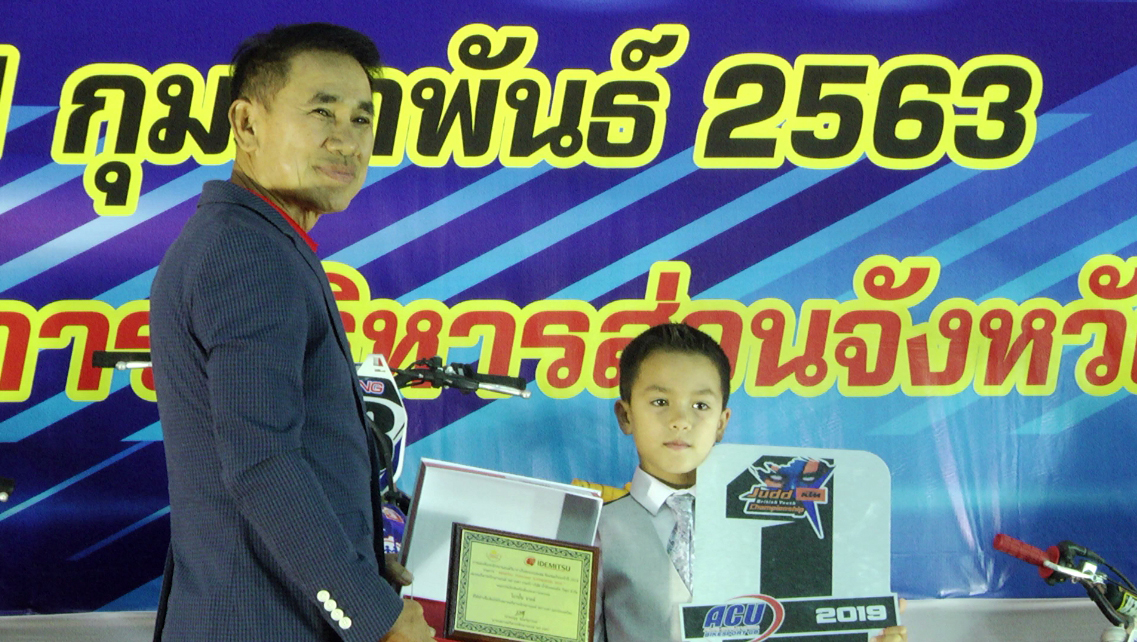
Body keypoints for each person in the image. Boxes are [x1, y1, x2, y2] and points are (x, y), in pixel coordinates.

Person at [149, 23, 434, 642]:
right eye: (322, 112)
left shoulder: (254, 240)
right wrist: (371, 615)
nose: (347, 140)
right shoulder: (249, 255)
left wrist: (361, 564)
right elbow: (262, 463)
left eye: (362, 119)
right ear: (246, 124)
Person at [594, 323, 907, 642]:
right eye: (660, 401)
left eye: (701, 405)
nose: (681, 421)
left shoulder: (773, 523)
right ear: (626, 415)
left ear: (721, 423)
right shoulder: (597, 530)